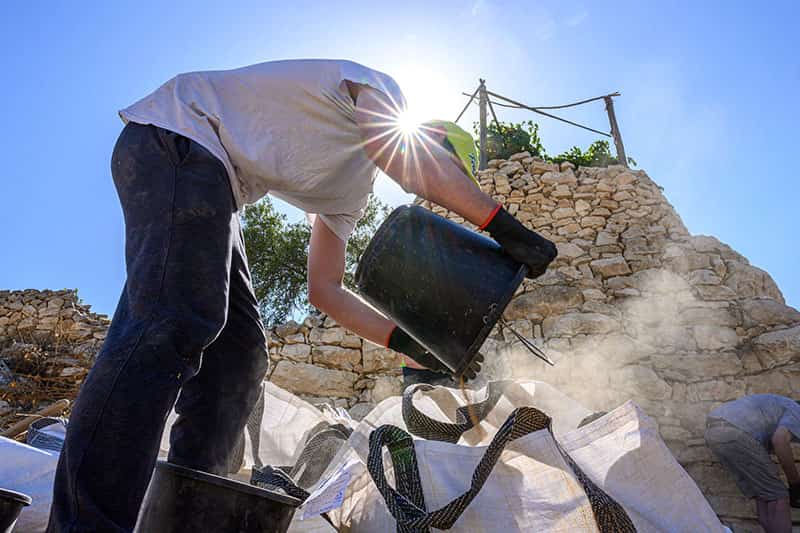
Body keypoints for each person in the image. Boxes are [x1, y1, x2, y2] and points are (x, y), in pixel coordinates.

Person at [47, 59, 557, 532]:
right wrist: (503, 226)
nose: (436, 183)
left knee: (241, 355)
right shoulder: (379, 91)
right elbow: (400, 156)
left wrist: (412, 346)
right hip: (176, 138)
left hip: (215, 181)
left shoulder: (348, 194)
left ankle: (185, 521)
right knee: (171, 321)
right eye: (443, 168)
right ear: (428, 143)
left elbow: (326, 290)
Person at [705, 394, 800, 532]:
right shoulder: (796, 409)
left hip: (713, 431)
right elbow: (779, 440)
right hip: (735, 430)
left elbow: (769, 448)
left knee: (762, 493)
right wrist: (795, 484)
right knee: (779, 495)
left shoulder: (777, 410)